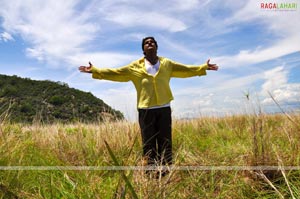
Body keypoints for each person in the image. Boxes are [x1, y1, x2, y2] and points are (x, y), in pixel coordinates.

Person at [79, 36, 218, 168]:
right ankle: (150, 173)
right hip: (146, 111)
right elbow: (116, 73)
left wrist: (203, 67)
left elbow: (186, 70)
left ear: (157, 47)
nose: (150, 43)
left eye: (152, 42)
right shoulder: (134, 67)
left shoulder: (167, 64)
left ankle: (166, 171)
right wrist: (95, 70)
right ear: (143, 49)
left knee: (166, 141)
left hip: (164, 108)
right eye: (147, 43)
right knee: (148, 142)